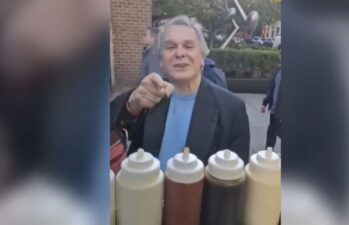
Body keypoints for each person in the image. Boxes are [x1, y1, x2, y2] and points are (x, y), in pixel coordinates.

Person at [112, 15, 250, 170]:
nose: (179, 53)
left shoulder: (232, 109)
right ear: (161, 62)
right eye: (170, 47)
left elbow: (236, 179)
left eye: (189, 46)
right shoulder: (150, 96)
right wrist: (131, 105)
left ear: (202, 58)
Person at [261, 64, 282, 149]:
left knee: (276, 130)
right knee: (272, 131)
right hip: (274, 109)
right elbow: (272, 88)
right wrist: (264, 103)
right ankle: (268, 152)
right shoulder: (278, 70)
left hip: (283, 109)